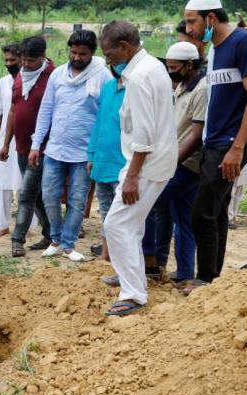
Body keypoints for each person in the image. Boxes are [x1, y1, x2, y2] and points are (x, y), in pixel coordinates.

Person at [184, 0, 247, 289]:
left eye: (193, 22)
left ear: (211, 18)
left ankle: (204, 277)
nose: (189, 29)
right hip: (214, 140)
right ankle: (213, 279)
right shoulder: (216, 50)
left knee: (201, 212)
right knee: (215, 210)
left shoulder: (244, 43)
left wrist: (237, 147)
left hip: (230, 143)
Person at [101, 21, 178, 316]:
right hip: (152, 161)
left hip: (147, 165)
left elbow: (144, 136)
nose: (107, 59)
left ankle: (133, 294)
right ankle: (129, 276)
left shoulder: (140, 77)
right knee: (131, 224)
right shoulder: (150, 66)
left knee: (116, 224)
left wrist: (132, 177)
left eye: (109, 53)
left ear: (125, 47)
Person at [30, 30, 112, 261]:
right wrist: (37, 145)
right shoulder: (57, 75)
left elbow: (105, 116)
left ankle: (68, 244)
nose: (76, 57)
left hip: (83, 153)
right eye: (73, 52)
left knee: (77, 200)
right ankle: (55, 239)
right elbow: (46, 110)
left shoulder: (103, 76)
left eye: (82, 54)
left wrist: (96, 153)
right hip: (55, 149)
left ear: (92, 53)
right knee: (49, 196)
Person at [151, 42, 207, 284]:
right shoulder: (184, 84)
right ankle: (184, 272)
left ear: (190, 65)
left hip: (185, 164)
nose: (170, 71)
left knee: (149, 206)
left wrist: (172, 162)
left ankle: (150, 264)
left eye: (174, 67)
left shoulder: (202, 89)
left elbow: (197, 134)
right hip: (177, 161)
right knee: (183, 218)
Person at [0, 36, 55, 257]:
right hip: (21, 145)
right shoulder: (20, 76)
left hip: (41, 148)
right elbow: (14, 110)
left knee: (26, 193)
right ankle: (51, 234)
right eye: (22, 59)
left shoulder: (53, 77)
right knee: (37, 194)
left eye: (30, 60)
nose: (24, 64)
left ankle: (17, 240)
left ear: (42, 57)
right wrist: (6, 142)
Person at [86, 65, 126, 262]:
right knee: (105, 210)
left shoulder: (136, 87)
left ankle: (121, 257)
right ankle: (106, 254)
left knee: (122, 215)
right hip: (102, 162)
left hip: (123, 165)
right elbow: (99, 123)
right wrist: (91, 154)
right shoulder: (109, 87)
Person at [0, 43, 23, 240]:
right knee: (2, 182)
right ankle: (1, 225)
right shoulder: (2, 83)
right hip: (4, 141)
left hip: (27, 140)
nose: (9, 64)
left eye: (13, 60)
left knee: (25, 183)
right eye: (7, 61)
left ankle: (30, 225)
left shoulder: (32, 80)